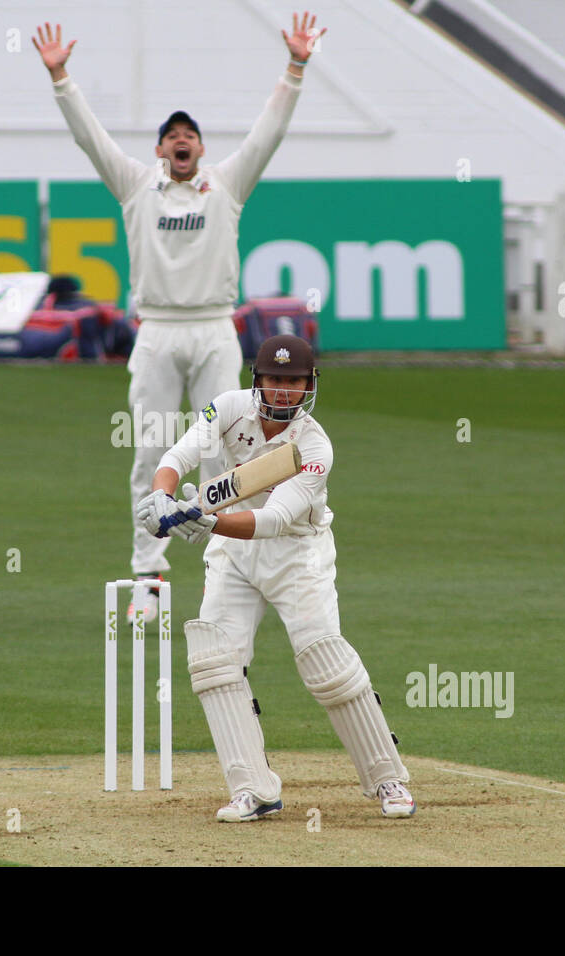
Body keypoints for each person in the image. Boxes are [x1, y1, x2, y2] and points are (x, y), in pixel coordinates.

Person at [33, 14, 323, 620]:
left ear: (201, 147)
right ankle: (149, 576)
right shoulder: (137, 185)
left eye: (189, 134)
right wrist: (61, 76)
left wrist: (296, 67)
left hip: (216, 328)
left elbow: (268, 133)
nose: (181, 141)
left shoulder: (228, 185)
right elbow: (91, 138)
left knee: (230, 453)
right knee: (153, 450)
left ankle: (228, 566)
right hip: (158, 332)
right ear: (161, 149)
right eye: (171, 136)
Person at [135, 335, 416, 822]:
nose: (284, 390)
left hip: (296, 555)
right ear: (257, 381)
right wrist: (162, 498)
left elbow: (274, 521)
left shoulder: (314, 445)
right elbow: (178, 456)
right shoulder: (227, 408)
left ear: (308, 385)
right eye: (275, 380)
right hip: (232, 554)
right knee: (215, 662)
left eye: (294, 382)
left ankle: (387, 779)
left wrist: (205, 521)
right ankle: (252, 789)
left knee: (325, 663)